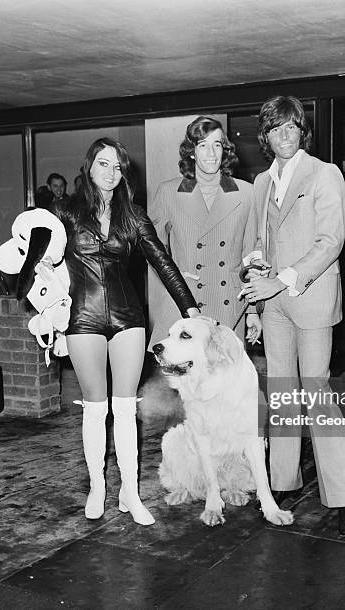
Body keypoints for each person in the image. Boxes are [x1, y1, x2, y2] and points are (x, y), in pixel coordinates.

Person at [50, 137, 199, 525]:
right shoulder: (65, 212)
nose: (111, 173)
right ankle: (98, 487)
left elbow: (163, 262)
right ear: (89, 166)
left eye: (118, 166)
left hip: (127, 317)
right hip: (82, 318)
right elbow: (39, 264)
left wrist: (191, 308)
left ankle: (129, 492)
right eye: (103, 164)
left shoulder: (133, 215)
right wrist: (44, 311)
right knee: (95, 408)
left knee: (125, 407)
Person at [240, 95, 345, 537]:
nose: (283, 135)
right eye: (275, 129)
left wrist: (282, 279)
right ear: (266, 137)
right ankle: (283, 482)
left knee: (317, 393)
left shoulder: (325, 174)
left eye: (290, 127)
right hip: (273, 306)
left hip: (309, 299)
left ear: (301, 130)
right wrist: (255, 287)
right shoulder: (259, 182)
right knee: (283, 393)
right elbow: (260, 242)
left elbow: (331, 243)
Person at [148, 116, 261, 347]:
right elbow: (152, 250)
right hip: (186, 300)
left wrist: (252, 311)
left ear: (225, 150)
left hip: (228, 303)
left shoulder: (247, 193)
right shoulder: (169, 192)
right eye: (203, 145)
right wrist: (175, 275)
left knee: (226, 377)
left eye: (217, 145)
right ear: (192, 152)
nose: (211, 153)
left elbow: (251, 256)